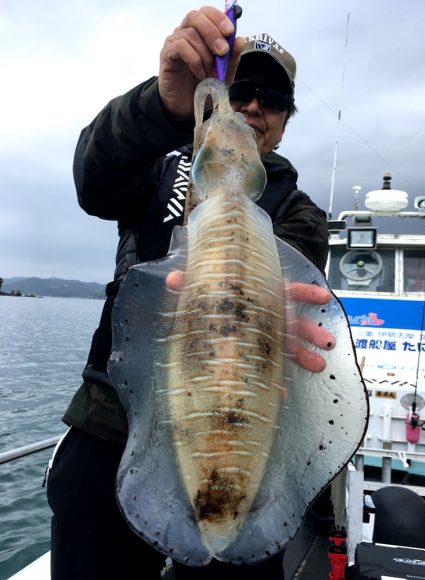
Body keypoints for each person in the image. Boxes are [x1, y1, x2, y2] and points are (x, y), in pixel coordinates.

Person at [46, 6, 334, 580]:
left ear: (284, 120)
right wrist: (163, 101)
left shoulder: (300, 214)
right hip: (110, 425)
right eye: (243, 89)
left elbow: (287, 302)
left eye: (272, 98)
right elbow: (92, 179)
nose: (253, 106)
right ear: (221, 91)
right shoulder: (155, 163)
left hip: (235, 428)